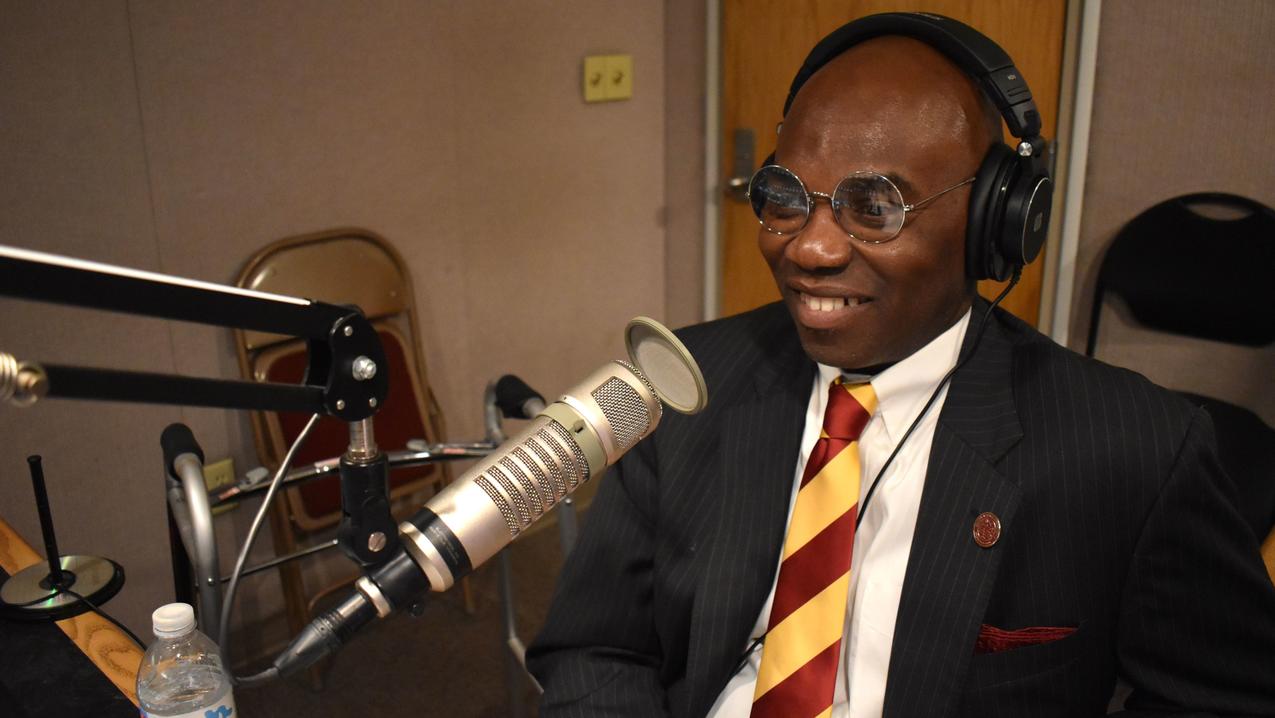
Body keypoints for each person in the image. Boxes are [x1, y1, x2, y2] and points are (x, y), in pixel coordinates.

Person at [527, 14, 1275, 718]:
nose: (809, 249)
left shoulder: (1132, 449)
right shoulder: (683, 384)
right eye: (785, 197)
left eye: (873, 207)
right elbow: (596, 647)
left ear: (997, 221)